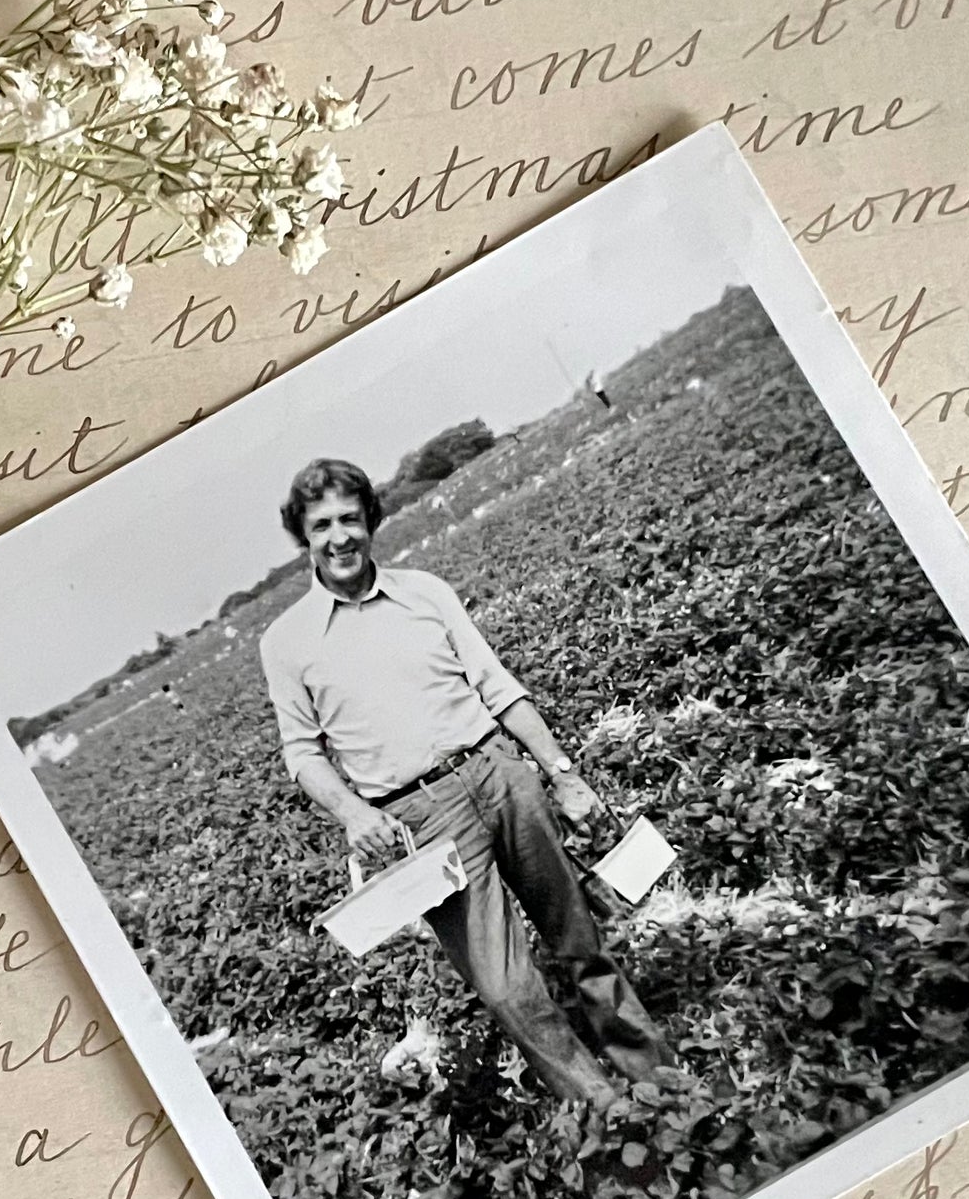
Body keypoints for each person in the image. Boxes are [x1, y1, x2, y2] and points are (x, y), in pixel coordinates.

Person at [260, 456, 667, 1107]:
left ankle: (654, 1074)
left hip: (498, 772)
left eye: (350, 519)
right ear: (302, 537)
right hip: (419, 818)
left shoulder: (424, 591)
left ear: (371, 522)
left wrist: (564, 775)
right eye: (321, 525)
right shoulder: (286, 641)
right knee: (506, 985)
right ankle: (607, 1110)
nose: (339, 537)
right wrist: (355, 815)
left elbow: (498, 688)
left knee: (578, 937)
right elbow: (302, 752)